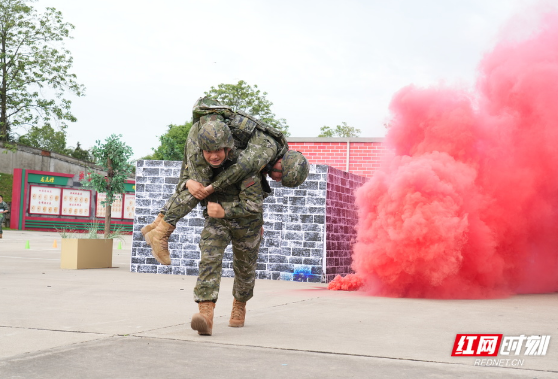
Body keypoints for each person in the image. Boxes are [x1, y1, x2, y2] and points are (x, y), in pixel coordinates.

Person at [141, 97, 309, 264]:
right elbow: (239, 170)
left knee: (191, 181)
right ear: (282, 164)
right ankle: (161, 234)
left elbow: (254, 188)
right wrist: (212, 188)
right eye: (281, 177)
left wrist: (256, 222)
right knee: (200, 186)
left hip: (209, 134)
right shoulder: (267, 148)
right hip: (206, 136)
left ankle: (157, 225)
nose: (277, 180)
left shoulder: (269, 155)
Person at [149, 121, 272, 335]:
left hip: (247, 223)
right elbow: (182, 184)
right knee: (209, 259)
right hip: (217, 221)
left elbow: (253, 205)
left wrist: (225, 211)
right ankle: (206, 314)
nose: (213, 156)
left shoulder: (244, 166)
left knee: (245, 270)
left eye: (218, 150)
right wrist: (188, 184)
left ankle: (239, 305)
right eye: (208, 151)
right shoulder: (201, 165)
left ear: (227, 148)